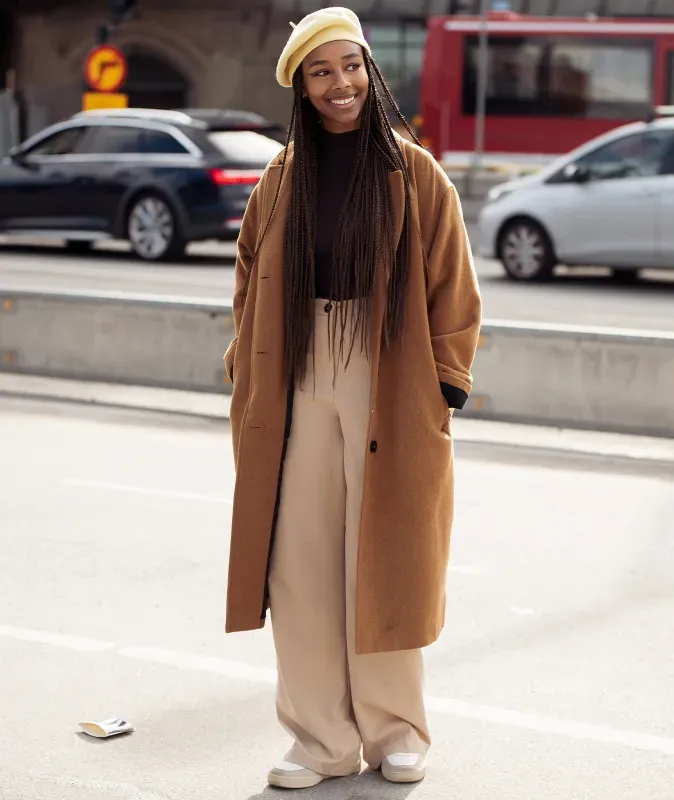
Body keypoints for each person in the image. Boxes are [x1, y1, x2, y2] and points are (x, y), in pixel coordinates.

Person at [223, 7, 481, 790]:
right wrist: (248, 367)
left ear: (372, 71)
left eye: (352, 66)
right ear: (301, 87)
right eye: (322, 71)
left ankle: (397, 730)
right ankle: (319, 740)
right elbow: (245, 280)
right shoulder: (280, 178)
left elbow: (454, 288)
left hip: (386, 374)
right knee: (298, 563)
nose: (341, 84)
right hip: (297, 371)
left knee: (385, 560)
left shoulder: (414, 172)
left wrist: (442, 383)